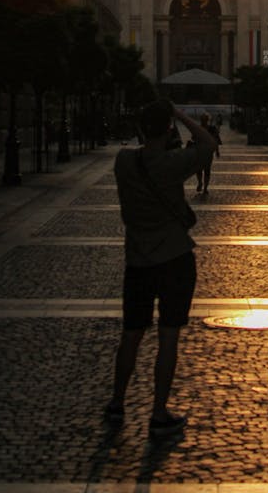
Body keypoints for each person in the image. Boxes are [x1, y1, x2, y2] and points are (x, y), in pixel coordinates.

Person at [106, 99, 216, 438]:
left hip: (138, 260)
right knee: (169, 336)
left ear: (139, 128)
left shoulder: (123, 162)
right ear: (168, 129)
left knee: (131, 333)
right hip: (174, 258)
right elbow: (208, 144)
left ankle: (116, 404)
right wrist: (181, 115)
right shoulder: (173, 163)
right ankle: (158, 412)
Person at [193, 113, 221, 194]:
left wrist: (217, 151)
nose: (203, 121)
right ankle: (200, 183)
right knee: (199, 170)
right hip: (199, 151)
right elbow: (194, 138)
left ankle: (205, 187)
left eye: (204, 119)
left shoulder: (211, 128)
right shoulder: (198, 128)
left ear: (207, 120)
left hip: (208, 152)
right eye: (202, 119)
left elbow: (215, 140)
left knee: (206, 170)